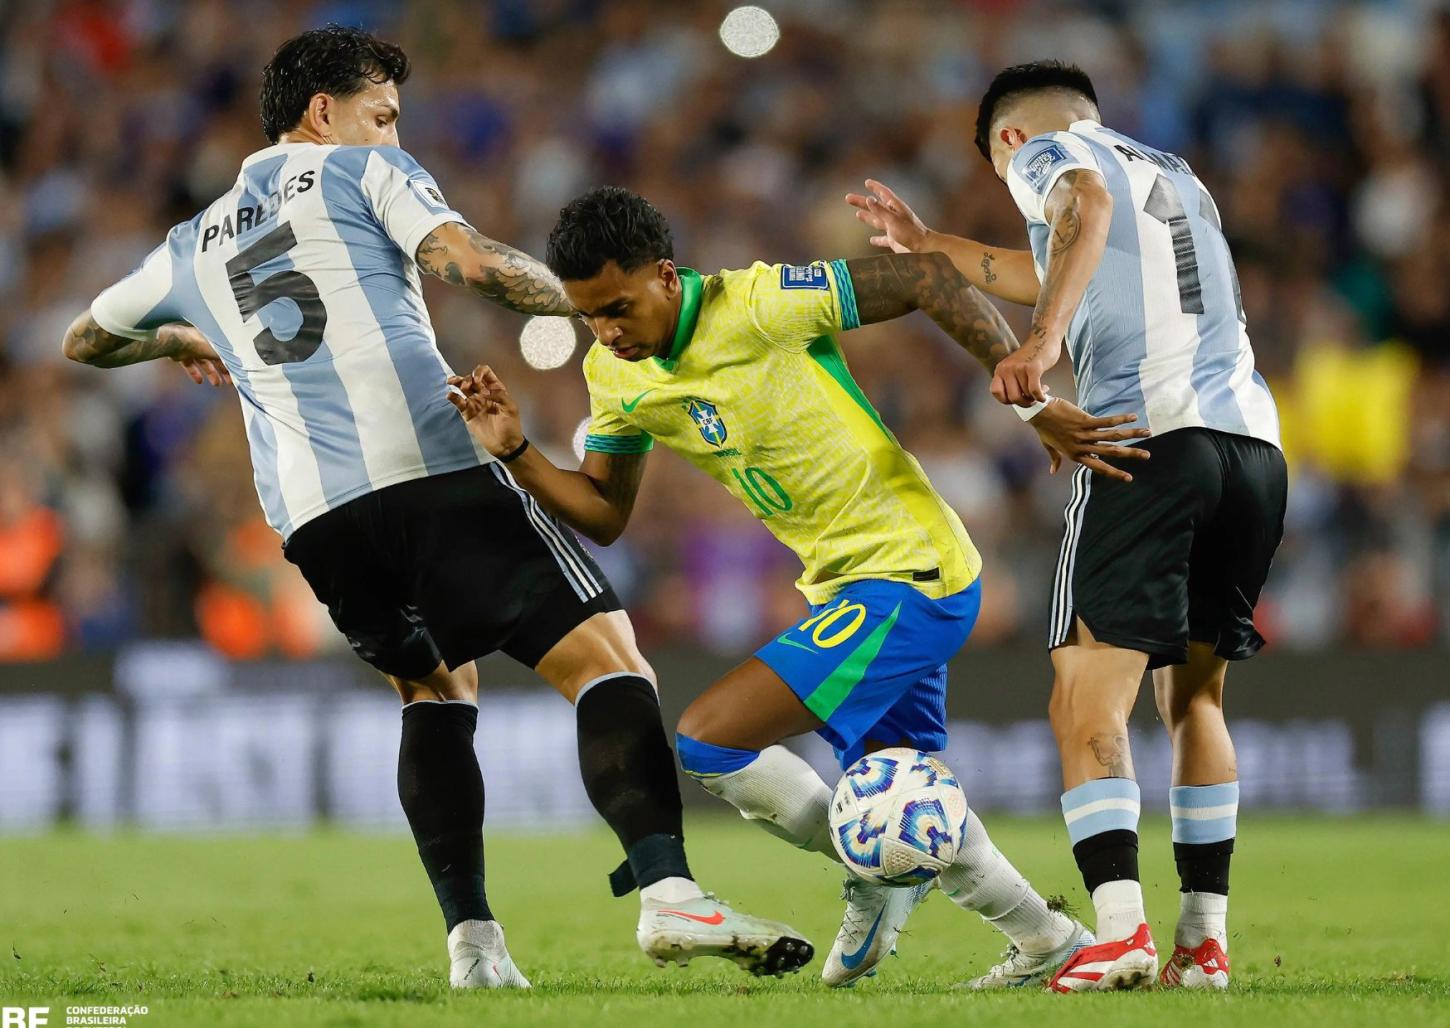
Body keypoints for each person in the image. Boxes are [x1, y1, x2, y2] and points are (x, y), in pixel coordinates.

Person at [60, 25, 810, 989]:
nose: (390, 132)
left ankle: (475, 946)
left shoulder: (185, 246)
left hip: (316, 517)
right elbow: (473, 264)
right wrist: (604, 309)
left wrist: (172, 342)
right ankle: (669, 895)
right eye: (381, 114)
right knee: (607, 657)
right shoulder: (360, 173)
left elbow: (84, 338)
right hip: (429, 468)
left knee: (436, 690)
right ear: (323, 114)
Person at [448, 185, 1154, 989]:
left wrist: (1031, 401)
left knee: (711, 738)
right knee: (896, 794)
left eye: (618, 306)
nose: (608, 331)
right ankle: (1045, 939)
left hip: (910, 574)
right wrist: (516, 452)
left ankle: (877, 873)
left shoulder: (761, 303)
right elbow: (604, 512)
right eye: (589, 317)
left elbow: (926, 276)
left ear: (666, 275)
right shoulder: (616, 373)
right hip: (842, 590)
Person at [850, 60, 1286, 992]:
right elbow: (1049, 254)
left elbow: (1076, 205)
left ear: (1009, 139)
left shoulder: (1050, 153)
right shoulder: (1173, 169)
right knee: (1196, 698)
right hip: (1251, 451)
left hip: (1145, 443)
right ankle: (1201, 943)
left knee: (1083, 693)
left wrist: (1041, 345)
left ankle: (1118, 932)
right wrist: (928, 242)